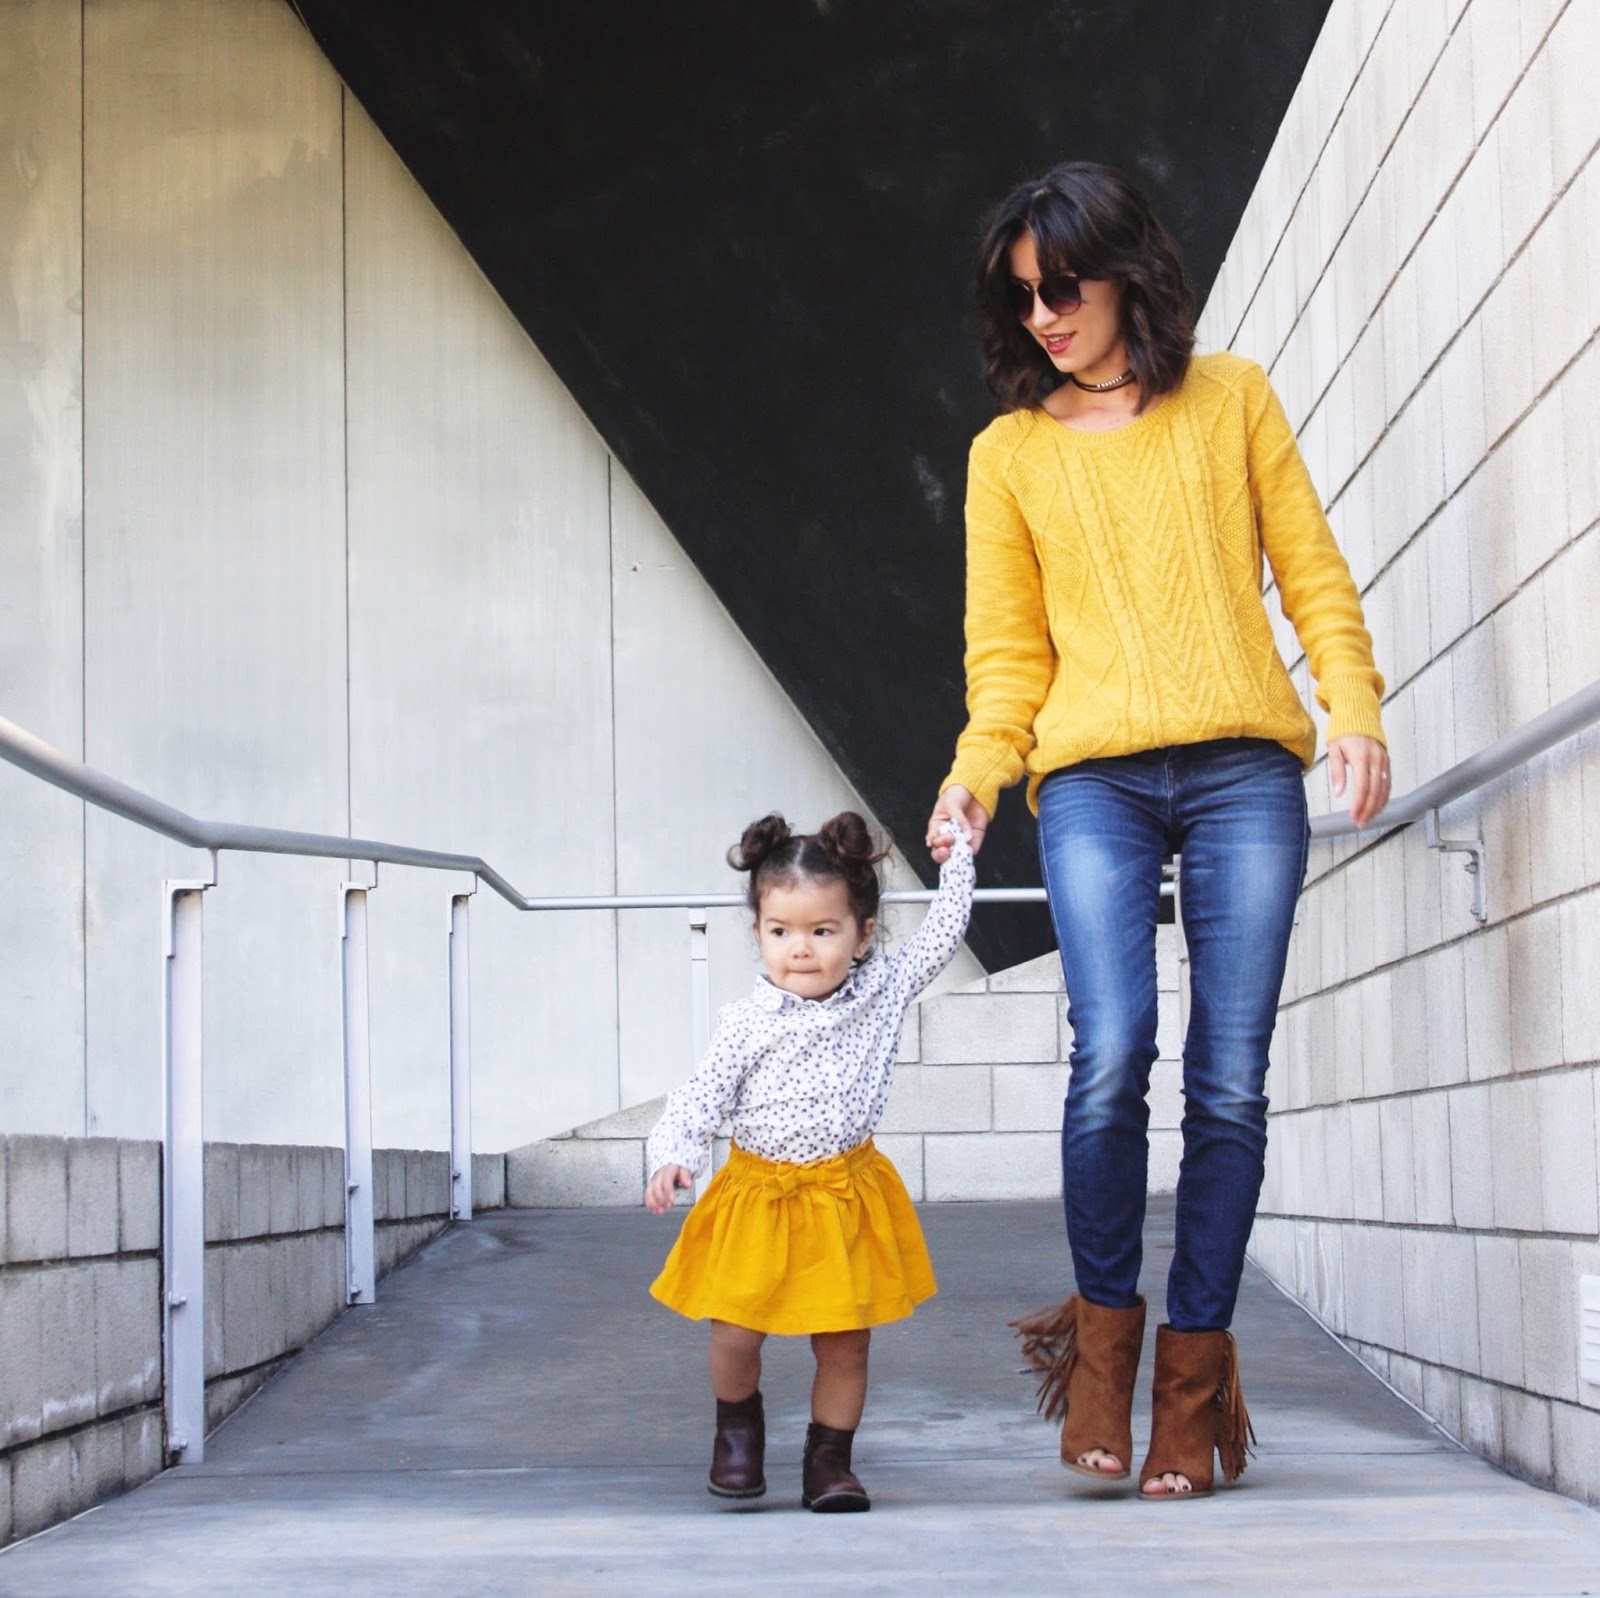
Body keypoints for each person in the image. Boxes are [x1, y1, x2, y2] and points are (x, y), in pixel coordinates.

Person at [926, 161, 1389, 1500]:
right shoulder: (1005, 456)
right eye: (1022, 298)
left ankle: (1191, 1393)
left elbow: (1310, 568)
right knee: (1111, 1047)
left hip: (1246, 763)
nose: (1046, 316)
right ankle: (1102, 1362)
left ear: (1127, 269)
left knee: (1229, 1075)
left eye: (1063, 287)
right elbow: (1007, 654)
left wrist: (1350, 704)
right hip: (1091, 781)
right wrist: (977, 772)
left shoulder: (1231, 397)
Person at [645, 810, 975, 1511]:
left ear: (862, 936)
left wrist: (960, 860)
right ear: (759, 932)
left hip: (843, 1196)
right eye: (780, 932)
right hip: (757, 1196)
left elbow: (944, 937)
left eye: (823, 931)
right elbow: (699, 1097)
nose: (801, 949)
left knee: (845, 1343)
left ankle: (830, 1460)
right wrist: (673, 1155)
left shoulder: (881, 992)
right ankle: (737, 1430)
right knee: (735, 1331)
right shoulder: (747, 1023)